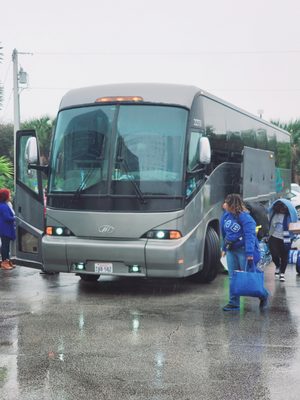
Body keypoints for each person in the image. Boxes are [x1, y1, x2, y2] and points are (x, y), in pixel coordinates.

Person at [221, 193, 269, 311]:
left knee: (250, 277)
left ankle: (263, 295)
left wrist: (249, 254)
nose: (224, 204)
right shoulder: (226, 216)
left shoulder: (246, 218)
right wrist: (224, 248)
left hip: (244, 251)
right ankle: (234, 303)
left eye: (226, 202)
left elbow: (250, 236)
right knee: (233, 277)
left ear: (232, 205)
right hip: (232, 250)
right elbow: (226, 234)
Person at [268, 199, 298, 282]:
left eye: (283, 207)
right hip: (274, 236)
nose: (282, 208)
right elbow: (269, 223)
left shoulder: (290, 216)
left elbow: (295, 225)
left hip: (286, 238)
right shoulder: (273, 214)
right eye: (280, 206)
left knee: (284, 255)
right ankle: (278, 266)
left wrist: (294, 235)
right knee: (274, 255)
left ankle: (282, 274)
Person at [0, 188, 16, 270]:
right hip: (5, 228)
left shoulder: (4, 204)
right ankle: (4, 262)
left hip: (5, 228)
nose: (10, 196)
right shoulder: (3, 206)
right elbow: (7, 218)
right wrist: (16, 218)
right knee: (5, 246)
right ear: (5, 196)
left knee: (6, 245)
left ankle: (7, 260)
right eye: (9, 195)